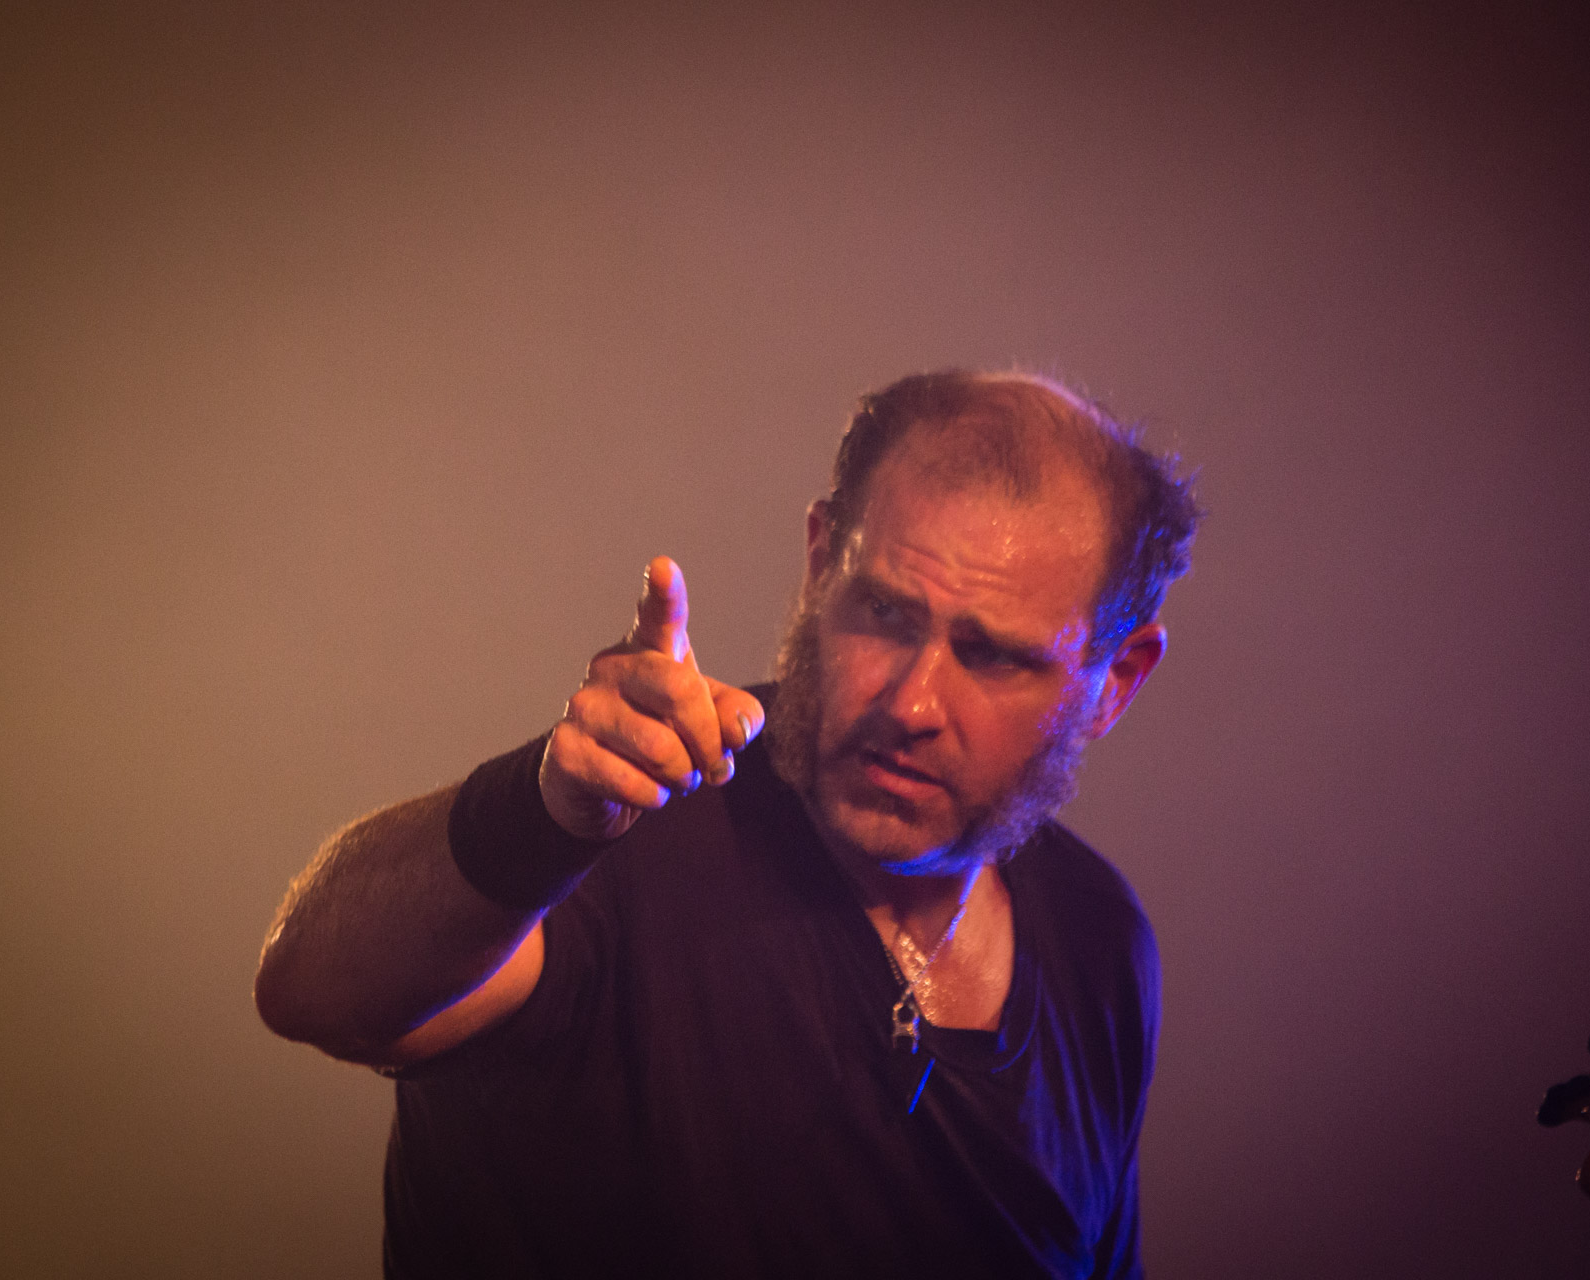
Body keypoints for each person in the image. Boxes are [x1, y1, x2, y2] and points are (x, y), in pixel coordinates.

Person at [254, 369, 1199, 1278]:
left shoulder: (1097, 943)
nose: (911, 703)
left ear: (1115, 682)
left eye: (991, 656)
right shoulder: (630, 828)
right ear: (820, 564)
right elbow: (311, 991)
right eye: (884, 611)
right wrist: (540, 814)